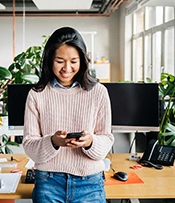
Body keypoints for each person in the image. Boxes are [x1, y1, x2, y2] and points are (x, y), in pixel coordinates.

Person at [23, 27, 114, 203]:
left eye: (74, 61)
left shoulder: (99, 92)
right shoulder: (36, 94)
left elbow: (107, 140)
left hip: (90, 183)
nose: (67, 68)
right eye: (60, 61)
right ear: (50, 60)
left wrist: (90, 142)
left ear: (83, 61)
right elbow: (29, 145)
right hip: (48, 182)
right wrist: (53, 142)